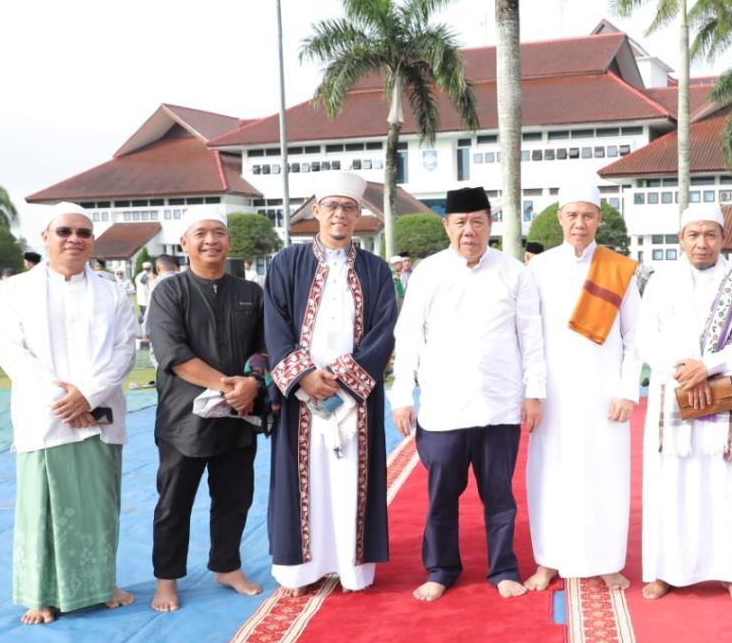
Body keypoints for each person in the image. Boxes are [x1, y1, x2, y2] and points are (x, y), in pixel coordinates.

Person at [390, 186, 545, 602]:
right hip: (443, 409)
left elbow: (531, 338)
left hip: (499, 406)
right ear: (447, 226)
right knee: (441, 496)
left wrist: (534, 393)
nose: (469, 231)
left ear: (490, 225)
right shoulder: (428, 272)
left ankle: (503, 569)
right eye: (460, 223)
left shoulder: (515, 272)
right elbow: (408, 336)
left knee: (499, 496)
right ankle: (440, 569)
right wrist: (402, 394)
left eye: (477, 221)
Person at [0, 203, 139, 624]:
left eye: (83, 232)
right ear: (45, 236)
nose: (74, 239)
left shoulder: (112, 290)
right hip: (44, 415)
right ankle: (41, 594)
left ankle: (101, 585)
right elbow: (11, 352)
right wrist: (63, 399)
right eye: (65, 231)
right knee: (42, 504)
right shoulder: (15, 289)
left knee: (99, 502)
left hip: (98, 411)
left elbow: (124, 350)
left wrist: (88, 396)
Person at [265, 173, 398, 596]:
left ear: (359, 215)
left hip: (353, 398)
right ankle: (300, 571)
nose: (339, 214)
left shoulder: (375, 270)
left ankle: (350, 568)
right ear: (317, 212)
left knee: (349, 479)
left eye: (348, 207)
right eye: (331, 206)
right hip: (301, 397)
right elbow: (274, 323)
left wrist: (342, 380)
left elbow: (384, 330)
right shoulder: (287, 263)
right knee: (302, 482)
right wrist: (303, 375)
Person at [638, 201, 732, 603]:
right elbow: (647, 337)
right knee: (670, 484)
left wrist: (706, 366)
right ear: (680, 239)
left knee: (725, 483)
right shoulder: (660, 280)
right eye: (693, 234)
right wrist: (684, 372)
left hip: (723, 390)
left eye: (710, 234)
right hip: (672, 390)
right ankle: (664, 572)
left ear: (724, 239)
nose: (702, 243)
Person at [522, 184, 641, 593]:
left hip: (603, 392)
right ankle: (548, 560)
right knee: (549, 475)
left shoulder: (618, 268)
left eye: (587, 215)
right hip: (553, 394)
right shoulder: (538, 269)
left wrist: (627, 390)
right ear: (559, 218)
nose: (579, 223)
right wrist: (533, 392)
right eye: (572, 215)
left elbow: (635, 336)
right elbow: (529, 335)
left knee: (605, 475)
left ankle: (607, 560)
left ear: (598, 220)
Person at [148, 209, 267, 612]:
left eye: (218, 233)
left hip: (239, 413)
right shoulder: (169, 291)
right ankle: (167, 579)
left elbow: (264, 347)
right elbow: (174, 355)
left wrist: (252, 381)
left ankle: (226, 566)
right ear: (184, 243)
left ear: (229, 242)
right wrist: (227, 384)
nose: (210, 240)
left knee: (235, 497)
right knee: (174, 501)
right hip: (185, 419)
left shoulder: (250, 291)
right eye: (200, 233)